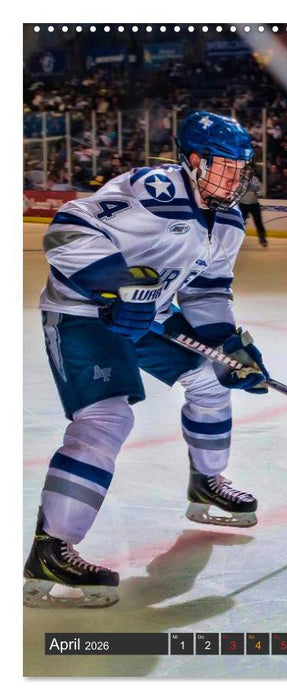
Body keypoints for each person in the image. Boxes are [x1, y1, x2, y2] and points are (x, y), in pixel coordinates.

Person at [24, 111, 269, 608]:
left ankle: (207, 483)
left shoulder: (226, 222)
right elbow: (66, 231)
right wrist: (118, 287)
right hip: (83, 313)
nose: (236, 179)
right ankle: (51, 549)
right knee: (107, 417)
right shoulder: (155, 189)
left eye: (241, 169)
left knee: (209, 375)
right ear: (193, 161)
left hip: (150, 314)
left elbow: (206, 289)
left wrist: (226, 344)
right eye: (225, 167)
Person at [239, 173, 268, 247]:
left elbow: (261, 190)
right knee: (241, 223)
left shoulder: (255, 179)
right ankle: (238, 239)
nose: (246, 172)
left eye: (248, 170)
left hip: (254, 204)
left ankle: (262, 239)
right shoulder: (239, 179)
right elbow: (235, 190)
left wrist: (257, 193)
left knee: (258, 222)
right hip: (243, 204)